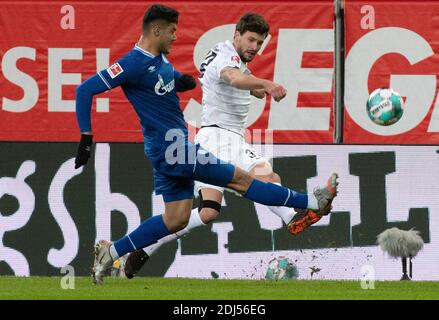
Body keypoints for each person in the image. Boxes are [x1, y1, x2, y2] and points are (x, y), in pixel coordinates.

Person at [74, 3, 339, 285]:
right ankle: (311, 201)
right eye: (173, 32)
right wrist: (86, 138)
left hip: (171, 148)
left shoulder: (161, 62)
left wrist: (182, 81)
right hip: (177, 149)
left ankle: (111, 251)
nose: (176, 37)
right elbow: (85, 89)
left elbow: (172, 83)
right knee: (242, 180)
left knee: (176, 219)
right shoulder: (133, 62)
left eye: (260, 43)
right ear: (156, 30)